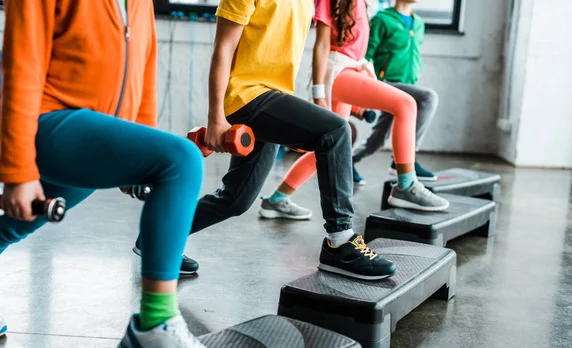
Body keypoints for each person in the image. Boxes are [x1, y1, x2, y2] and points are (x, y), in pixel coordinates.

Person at [0, 0, 230, 348]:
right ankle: (154, 324)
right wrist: (18, 170)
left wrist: (140, 146)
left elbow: (144, 61)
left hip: (94, 126)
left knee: (11, 226)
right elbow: (21, 68)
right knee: (183, 160)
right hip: (50, 121)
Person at [136, 0, 398, 281]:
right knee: (336, 130)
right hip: (246, 98)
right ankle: (340, 240)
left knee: (236, 199)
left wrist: (296, 122)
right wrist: (215, 119)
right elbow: (223, 49)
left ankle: (155, 236)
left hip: (271, 97)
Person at [258, 0, 449, 221]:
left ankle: (276, 200)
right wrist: (319, 93)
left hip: (353, 69)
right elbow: (322, 45)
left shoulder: (364, 3)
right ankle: (406, 185)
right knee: (406, 104)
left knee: (328, 145)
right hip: (336, 71)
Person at [352, 0, 439, 184]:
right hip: (387, 83)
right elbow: (365, 55)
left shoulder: (419, 23)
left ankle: (347, 162)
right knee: (428, 98)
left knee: (377, 140)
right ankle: (407, 160)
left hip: (407, 85)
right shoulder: (382, 19)